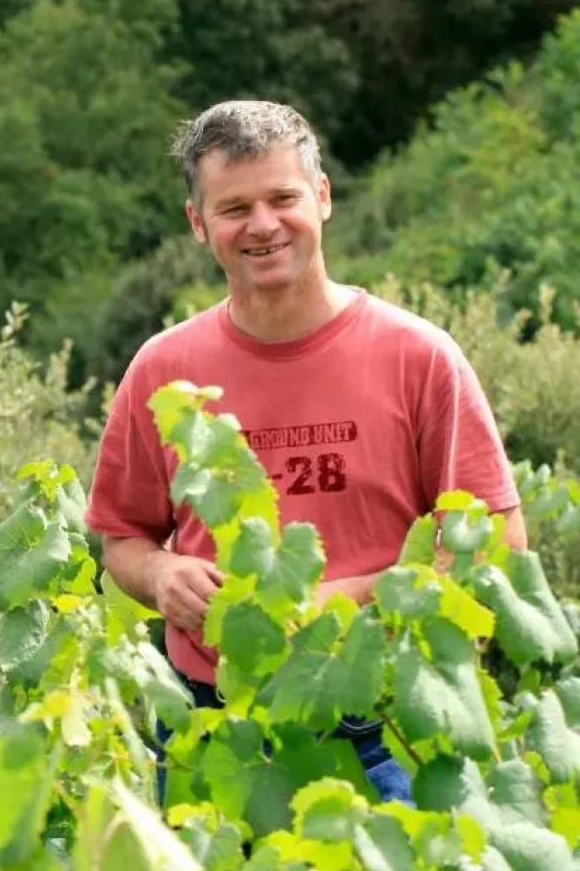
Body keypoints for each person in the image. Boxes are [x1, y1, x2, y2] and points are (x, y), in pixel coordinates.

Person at [87, 100, 525, 804]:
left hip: (384, 719)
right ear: (199, 225)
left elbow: (494, 541)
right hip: (218, 726)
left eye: (282, 198)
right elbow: (121, 538)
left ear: (321, 198)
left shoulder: (419, 357)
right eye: (233, 209)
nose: (262, 225)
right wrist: (162, 572)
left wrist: (342, 602)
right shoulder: (162, 370)